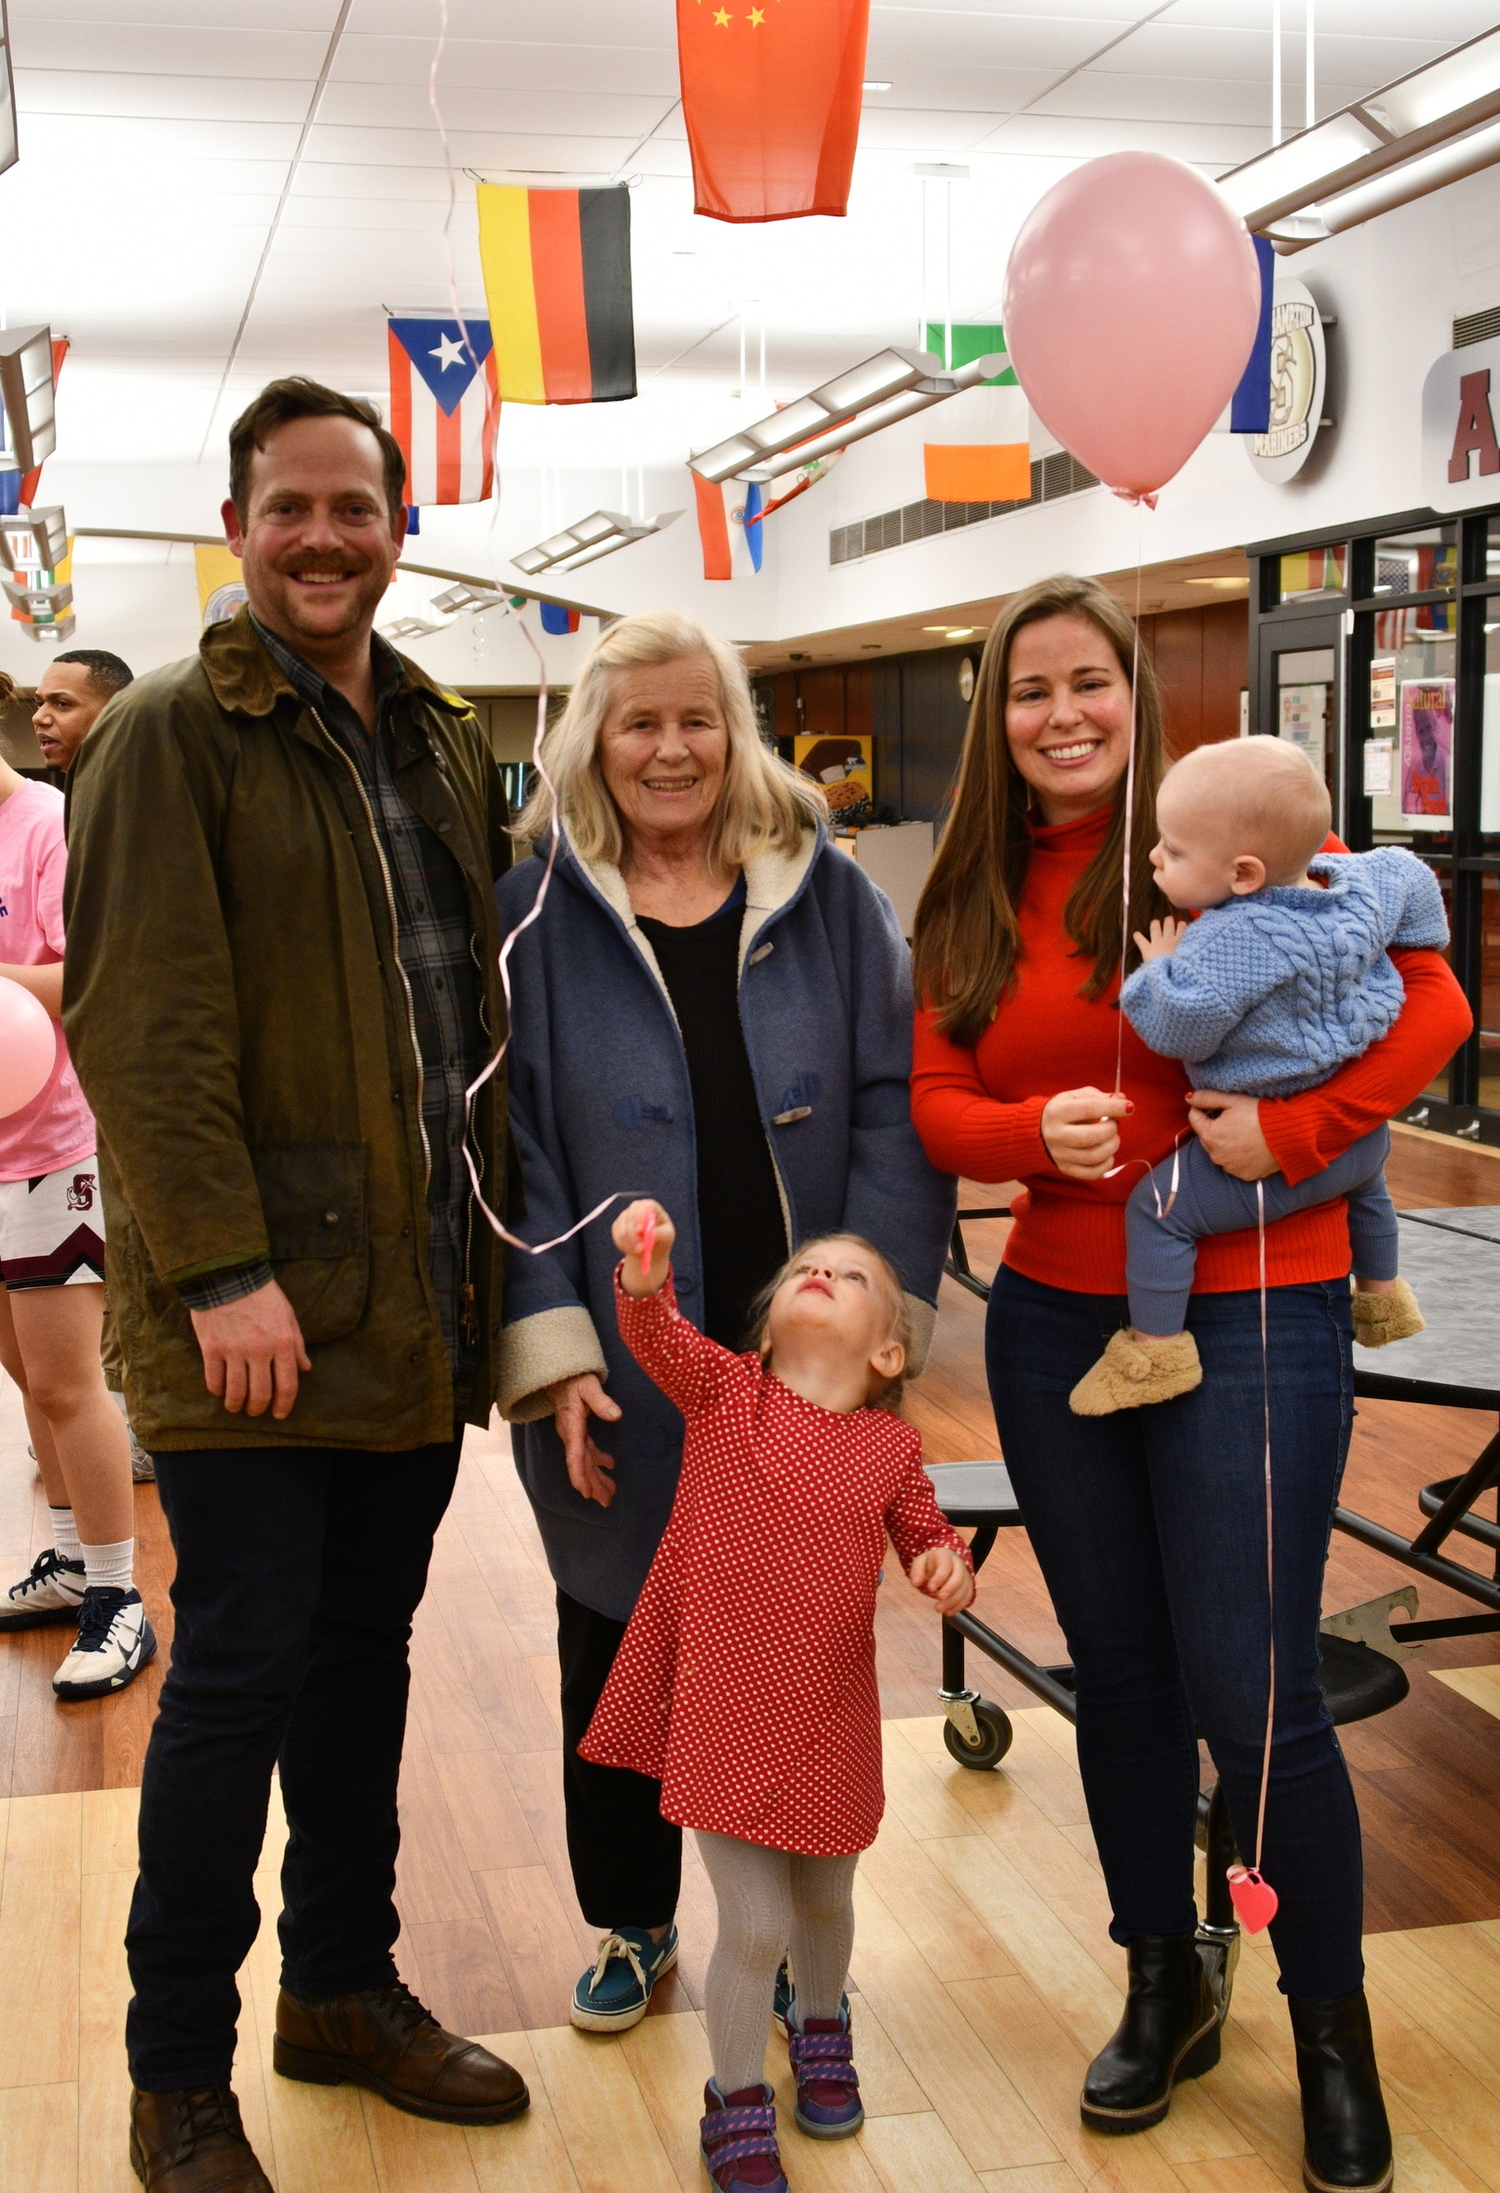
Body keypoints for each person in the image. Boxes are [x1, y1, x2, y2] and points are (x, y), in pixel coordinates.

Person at [908, 576, 1470, 2193]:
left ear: (1136, 697)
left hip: (1260, 1317)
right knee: (1127, 1682)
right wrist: (1031, 1142)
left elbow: (1438, 1001)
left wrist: (1291, 1137)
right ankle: (1166, 1974)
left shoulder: (1252, 845)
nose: (1063, 714)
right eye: (1031, 691)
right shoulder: (973, 891)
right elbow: (939, 1091)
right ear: (995, 722)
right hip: (1054, 1323)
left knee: (1258, 1692)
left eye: (1091, 683)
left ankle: (1331, 2028)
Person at [64, 376, 528, 2193]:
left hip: (412, 1305)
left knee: (363, 1661)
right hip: (249, 1321)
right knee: (238, 1677)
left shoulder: (424, 727)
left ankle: (341, 1986)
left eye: (357, 506)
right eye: (290, 508)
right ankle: (177, 2069)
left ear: (397, 524)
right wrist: (225, 1273)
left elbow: (465, 1008)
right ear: (238, 526)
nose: (325, 537)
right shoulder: (171, 734)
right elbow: (142, 1029)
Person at [495, 609, 956, 2035]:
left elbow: (889, 1095)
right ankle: (634, 1919)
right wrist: (557, 1351)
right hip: (635, 1350)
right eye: (638, 722)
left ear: (735, 729)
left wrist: (878, 1306)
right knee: (620, 1627)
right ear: (591, 740)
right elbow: (516, 1153)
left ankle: (804, 1925)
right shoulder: (534, 907)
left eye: (698, 717)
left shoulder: (827, 892)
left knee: (803, 1639)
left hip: (805, 1351)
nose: (671, 747)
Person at [582, 1200, 973, 2193]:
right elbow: (654, 1335)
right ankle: (734, 2095)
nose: (825, 1276)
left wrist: (942, 1568)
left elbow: (928, 1531)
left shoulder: (889, 1453)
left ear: (889, 1353)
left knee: (828, 1900)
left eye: (853, 1279)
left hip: (829, 1715)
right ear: (764, 1330)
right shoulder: (727, 1394)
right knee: (755, 1926)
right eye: (812, 1268)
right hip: (721, 1708)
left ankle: (825, 2023)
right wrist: (644, 1272)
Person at [1071, 735, 1444, 1415]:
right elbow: (1412, 879)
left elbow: (1178, 1025)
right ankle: (1383, 1297)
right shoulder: (1356, 882)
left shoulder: (1235, 936)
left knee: (1158, 1210)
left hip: (1275, 1153)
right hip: (1362, 1140)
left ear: (1243, 874)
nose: (1156, 857)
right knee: (1372, 1191)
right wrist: (1414, 943)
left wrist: (1158, 968)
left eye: (1174, 852)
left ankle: (1155, 1351)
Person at [0, 662, 154, 1698]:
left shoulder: (49, 822)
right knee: (22, 1371)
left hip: (52, 1139)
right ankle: (64, 1558)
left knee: (67, 1379)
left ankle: (118, 1595)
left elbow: (89, 969)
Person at [25, 650, 156, 1483]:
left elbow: (110, 964)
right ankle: (108, 1425)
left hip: (112, 1088)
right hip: (71, 1089)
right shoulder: (74, 803)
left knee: (127, 1275)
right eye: (37, 702)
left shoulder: (106, 813)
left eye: (62, 704)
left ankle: (128, 1428)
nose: (42, 718)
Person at [31, 649, 135, 774]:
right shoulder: (87, 789)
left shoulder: (147, 787)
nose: (37, 718)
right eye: (39, 704)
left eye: (62, 704)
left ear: (113, 712)